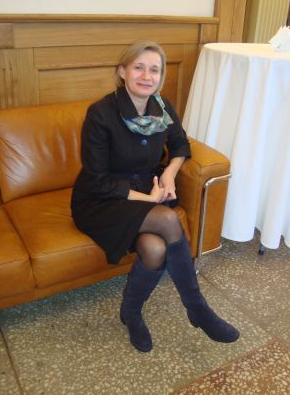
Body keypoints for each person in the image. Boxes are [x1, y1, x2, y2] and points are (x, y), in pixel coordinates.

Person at [71, 40, 239, 352]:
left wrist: (170, 173)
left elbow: (181, 145)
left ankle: (131, 312)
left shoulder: (162, 108)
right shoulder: (101, 114)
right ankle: (197, 308)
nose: (147, 76)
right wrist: (148, 199)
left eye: (154, 70)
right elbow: (97, 180)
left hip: (147, 191)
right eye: (138, 67)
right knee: (166, 218)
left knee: (155, 248)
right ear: (122, 72)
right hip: (101, 200)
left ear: (160, 76)